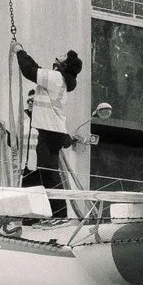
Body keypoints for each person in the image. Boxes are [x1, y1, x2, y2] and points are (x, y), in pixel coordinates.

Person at [14, 47, 84, 203]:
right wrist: (24, 52)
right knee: (44, 171)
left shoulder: (56, 78)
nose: (60, 54)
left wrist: (19, 52)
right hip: (50, 130)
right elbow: (36, 69)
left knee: (49, 173)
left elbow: (29, 71)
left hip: (51, 130)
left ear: (64, 64)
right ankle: (49, 213)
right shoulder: (58, 79)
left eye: (64, 55)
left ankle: (59, 214)